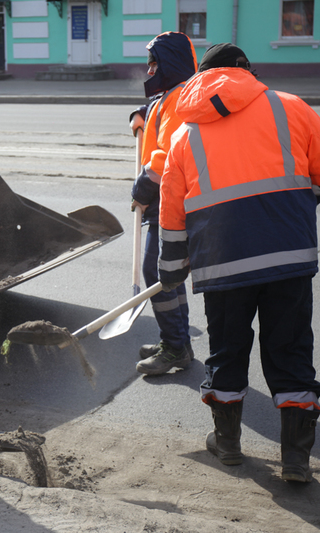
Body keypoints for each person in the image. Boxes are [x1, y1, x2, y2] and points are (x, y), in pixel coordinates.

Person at [158, 43, 320, 482]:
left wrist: (171, 267)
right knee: (290, 350)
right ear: (247, 71)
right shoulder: (290, 107)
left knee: (226, 351)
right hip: (287, 257)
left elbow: (172, 210)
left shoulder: (184, 134)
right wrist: (295, 207)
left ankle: (227, 444)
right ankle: (295, 459)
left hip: (221, 265)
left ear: (201, 79)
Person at [127, 32, 197, 376]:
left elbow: (166, 154)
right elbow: (157, 111)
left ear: (170, 64)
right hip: (163, 198)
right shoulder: (170, 95)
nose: (150, 70)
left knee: (155, 272)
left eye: (154, 63)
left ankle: (174, 347)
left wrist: (142, 189)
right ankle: (178, 342)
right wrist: (140, 114)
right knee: (168, 274)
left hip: (168, 199)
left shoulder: (181, 95)